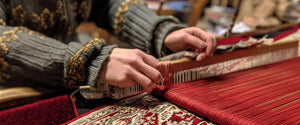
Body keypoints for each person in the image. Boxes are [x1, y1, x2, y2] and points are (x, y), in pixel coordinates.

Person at [0, 0, 216, 96]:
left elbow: (106, 4)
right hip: (14, 94)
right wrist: (90, 61)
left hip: (72, 87)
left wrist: (161, 32)